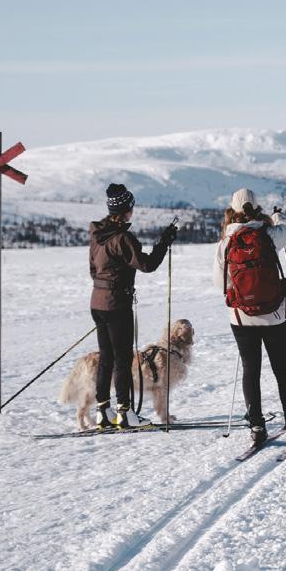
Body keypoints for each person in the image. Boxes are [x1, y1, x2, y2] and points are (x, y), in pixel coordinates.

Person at [213, 188, 286, 446]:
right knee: (282, 369)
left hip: (241, 318)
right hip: (274, 315)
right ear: (256, 207)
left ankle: (256, 425)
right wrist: (277, 218)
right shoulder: (269, 235)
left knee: (250, 370)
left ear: (232, 210)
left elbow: (220, 283)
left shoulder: (226, 242)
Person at [89, 183, 177, 428]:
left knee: (106, 358)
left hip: (97, 302)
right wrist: (164, 243)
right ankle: (125, 413)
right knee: (122, 359)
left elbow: (93, 270)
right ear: (126, 209)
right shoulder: (123, 238)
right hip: (117, 304)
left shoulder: (97, 235)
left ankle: (103, 411)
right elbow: (147, 265)